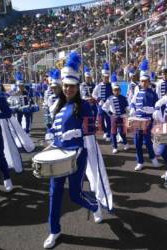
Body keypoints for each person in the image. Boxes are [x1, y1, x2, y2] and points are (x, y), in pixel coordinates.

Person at [43, 52, 111, 249]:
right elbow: (53, 130)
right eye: (65, 86)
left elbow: (91, 130)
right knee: (54, 194)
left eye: (71, 86)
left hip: (76, 156)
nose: (68, 89)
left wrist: (76, 133)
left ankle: (94, 206)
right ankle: (54, 230)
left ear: (76, 87)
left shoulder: (83, 106)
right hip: (58, 156)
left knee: (74, 194)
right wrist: (51, 135)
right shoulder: (58, 105)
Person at [130, 58, 161, 171]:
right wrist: (133, 109)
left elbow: (157, 106)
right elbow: (132, 102)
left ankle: (153, 160)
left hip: (148, 121)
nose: (143, 83)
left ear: (149, 81)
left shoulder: (152, 93)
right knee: (137, 142)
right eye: (142, 81)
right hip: (138, 121)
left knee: (148, 141)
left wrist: (151, 110)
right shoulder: (137, 91)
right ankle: (140, 161)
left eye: (146, 81)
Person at [102, 82, 129, 154]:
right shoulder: (110, 98)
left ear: (120, 90)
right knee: (113, 133)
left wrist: (128, 115)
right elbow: (104, 107)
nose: (116, 91)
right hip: (114, 118)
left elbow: (127, 107)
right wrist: (110, 113)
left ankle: (126, 143)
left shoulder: (123, 98)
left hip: (122, 117)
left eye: (118, 90)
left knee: (122, 132)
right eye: (115, 90)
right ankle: (115, 147)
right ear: (113, 91)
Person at [92, 62, 113, 141]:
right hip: (100, 105)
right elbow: (94, 94)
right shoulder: (98, 85)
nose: (106, 79)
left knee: (108, 120)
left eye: (107, 77)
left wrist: (109, 101)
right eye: (105, 77)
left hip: (108, 106)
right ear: (102, 77)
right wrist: (99, 99)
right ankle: (105, 131)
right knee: (100, 120)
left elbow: (113, 94)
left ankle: (108, 134)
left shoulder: (111, 85)